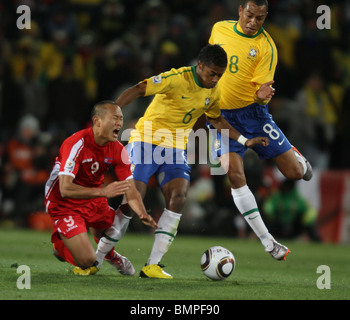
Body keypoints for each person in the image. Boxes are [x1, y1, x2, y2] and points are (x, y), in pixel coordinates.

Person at [97, 44, 269, 279]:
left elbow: (216, 120)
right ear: (200, 66)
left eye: (220, 74)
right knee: (132, 198)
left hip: (175, 148)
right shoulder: (176, 77)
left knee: (178, 196)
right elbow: (139, 89)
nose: (216, 79)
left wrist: (244, 140)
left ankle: (153, 265)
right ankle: (96, 259)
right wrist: (113, 115)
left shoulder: (214, 91)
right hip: (145, 140)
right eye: (212, 74)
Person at [207, 0, 313, 260]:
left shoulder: (266, 47)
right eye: (250, 15)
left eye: (260, 18)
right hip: (221, 116)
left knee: (295, 173)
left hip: (253, 114)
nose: (254, 22)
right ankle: (269, 243)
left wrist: (263, 95)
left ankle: (297, 156)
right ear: (240, 11)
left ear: (266, 17)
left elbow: (262, 92)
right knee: (234, 175)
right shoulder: (219, 29)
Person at [44, 101, 157, 276]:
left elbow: (131, 189)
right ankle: (60, 247)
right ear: (97, 121)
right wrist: (103, 192)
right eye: (115, 118)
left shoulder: (118, 150)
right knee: (89, 261)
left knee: (114, 226)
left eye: (121, 118)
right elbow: (65, 188)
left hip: (93, 198)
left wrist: (142, 213)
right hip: (64, 203)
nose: (120, 123)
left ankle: (111, 256)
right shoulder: (75, 144)